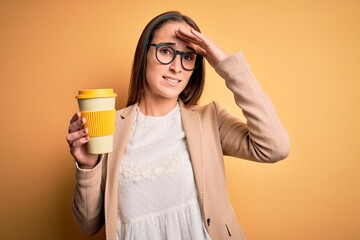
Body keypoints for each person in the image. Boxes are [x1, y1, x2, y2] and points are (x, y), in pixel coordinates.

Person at [66, 11, 290, 240]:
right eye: (166, 51)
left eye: (188, 57)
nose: (177, 67)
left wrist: (224, 64)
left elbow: (275, 147)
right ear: (144, 54)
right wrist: (87, 166)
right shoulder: (110, 126)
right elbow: (88, 224)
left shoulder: (209, 119)